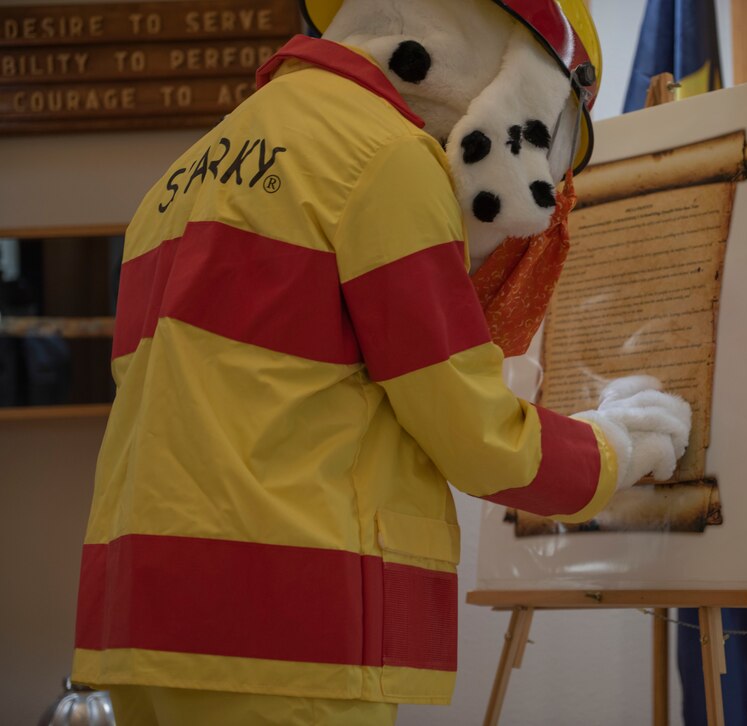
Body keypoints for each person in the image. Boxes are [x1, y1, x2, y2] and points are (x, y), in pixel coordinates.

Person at [70, 1, 692, 723]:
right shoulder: (385, 157)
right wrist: (611, 448)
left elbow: (254, 387)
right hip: (290, 629)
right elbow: (474, 436)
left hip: (144, 618)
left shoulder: (179, 178)